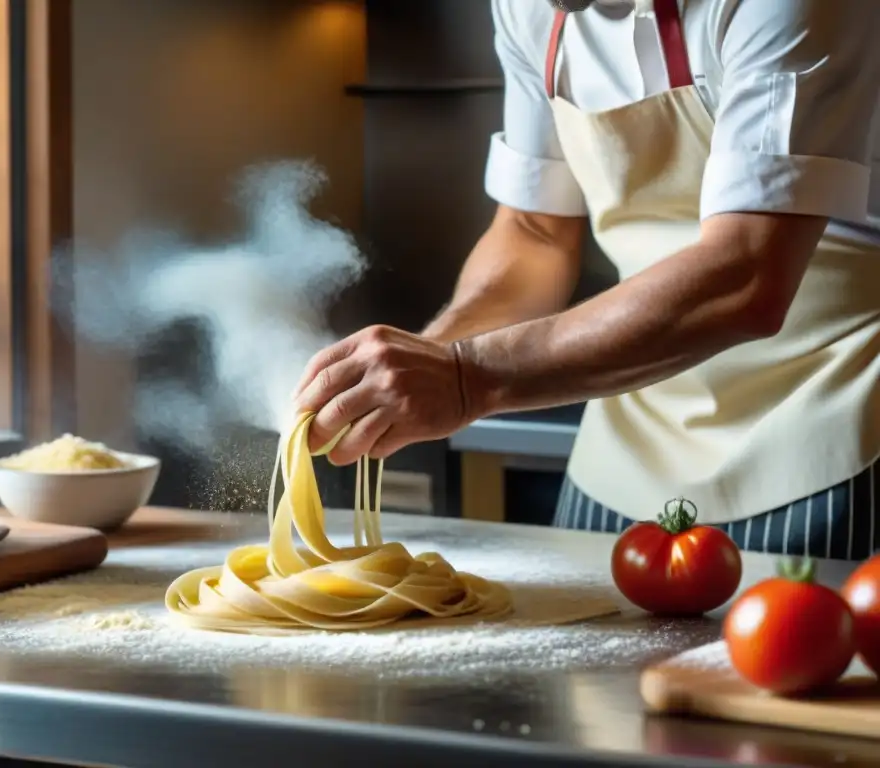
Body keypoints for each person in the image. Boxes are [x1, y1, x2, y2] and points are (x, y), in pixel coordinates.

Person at [293, 0, 880, 560]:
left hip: (827, 420)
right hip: (630, 439)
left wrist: (469, 376)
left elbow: (747, 274)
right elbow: (534, 233)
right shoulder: (532, 12)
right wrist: (428, 358)